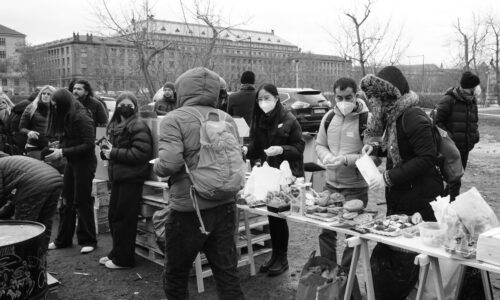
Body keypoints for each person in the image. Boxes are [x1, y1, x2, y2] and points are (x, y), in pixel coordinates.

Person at [154, 67, 245, 299]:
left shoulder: (174, 119)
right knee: (227, 274)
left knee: (176, 274)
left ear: (182, 90)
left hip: (189, 208)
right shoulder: (226, 118)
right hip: (225, 205)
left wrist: (156, 166)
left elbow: (170, 163)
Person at [360, 66, 444, 300]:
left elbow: (427, 157)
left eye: (377, 96)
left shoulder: (412, 116)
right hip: (402, 197)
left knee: (413, 262)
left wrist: (388, 177)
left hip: (420, 200)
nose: (374, 102)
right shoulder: (394, 117)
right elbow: (399, 150)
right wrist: (375, 148)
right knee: (396, 258)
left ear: (390, 95)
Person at [315, 77, 376, 300]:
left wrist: (346, 160)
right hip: (331, 185)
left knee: (352, 240)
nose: (343, 101)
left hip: (356, 188)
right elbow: (320, 145)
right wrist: (328, 157)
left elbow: (373, 156)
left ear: (356, 95)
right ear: (333, 96)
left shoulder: (367, 120)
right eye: (339, 98)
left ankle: (349, 289)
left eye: (348, 97)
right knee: (326, 234)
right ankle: (333, 280)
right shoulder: (328, 117)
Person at [243, 83, 305, 276]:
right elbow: (256, 146)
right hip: (268, 175)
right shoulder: (259, 119)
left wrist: (282, 150)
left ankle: (282, 258)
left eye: (267, 98)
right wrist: (246, 150)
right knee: (272, 216)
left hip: (286, 176)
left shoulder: (289, 120)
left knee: (280, 216)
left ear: (277, 98)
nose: (263, 102)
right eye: (260, 99)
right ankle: (275, 256)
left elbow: (299, 148)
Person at [98, 92, 153, 269]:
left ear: (135, 107)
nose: (126, 107)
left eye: (130, 104)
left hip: (132, 177)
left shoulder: (138, 125)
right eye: (123, 103)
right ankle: (117, 252)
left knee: (125, 220)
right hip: (119, 176)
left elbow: (141, 153)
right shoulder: (115, 124)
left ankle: (125, 259)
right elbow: (117, 150)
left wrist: (113, 153)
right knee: (114, 216)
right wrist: (106, 152)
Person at [45, 88, 98, 254]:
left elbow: (89, 144)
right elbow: (71, 139)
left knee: (82, 201)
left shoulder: (82, 116)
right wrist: (60, 146)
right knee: (66, 200)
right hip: (72, 162)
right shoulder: (67, 114)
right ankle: (63, 239)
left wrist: (62, 152)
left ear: (63, 103)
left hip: (85, 163)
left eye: (55, 105)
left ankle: (88, 240)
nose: (53, 108)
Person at [0, 151, 63, 249]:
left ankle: (22, 259)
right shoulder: (11, 161)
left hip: (35, 184)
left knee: (22, 227)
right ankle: (41, 257)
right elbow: (12, 199)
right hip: (55, 179)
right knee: (45, 222)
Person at [435, 71, 480, 201]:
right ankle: (452, 208)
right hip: (451, 149)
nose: (478, 89)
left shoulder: (472, 101)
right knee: (455, 181)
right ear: (469, 87)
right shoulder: (449, 100)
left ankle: (441, 204)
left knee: (455, 179)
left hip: (465, 148)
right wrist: (450, 140)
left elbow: (474, 121)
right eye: (476, 86)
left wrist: (475, 136)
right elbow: (437, 123)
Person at [19, 85, 56, 159]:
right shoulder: (32, 107)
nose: (45, 96)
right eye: (43, 93)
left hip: (52, 145)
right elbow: (21, 128)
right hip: (34, 145)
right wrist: (29, 132)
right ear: (40, 95)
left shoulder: (57, 109)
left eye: (49, 94)